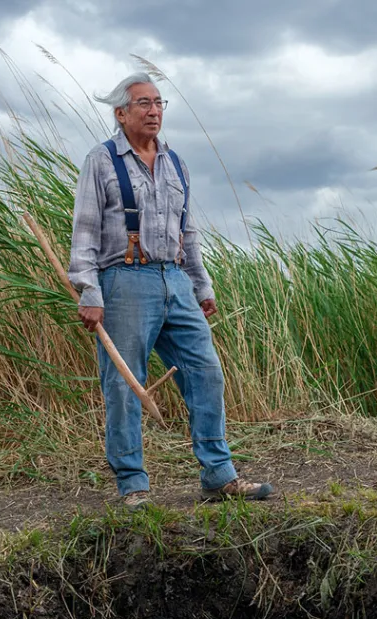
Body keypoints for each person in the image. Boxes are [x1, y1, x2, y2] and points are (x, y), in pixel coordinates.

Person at [67, 72, 275, 510]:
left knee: (206, 370)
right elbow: (84, 231)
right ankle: (133, 485)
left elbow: (188, 230)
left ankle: (219, 475)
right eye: (143, 103)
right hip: (124, 280)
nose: (154, 110)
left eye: (159, 102)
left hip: (175, 279)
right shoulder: (101, 160)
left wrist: (202, 284)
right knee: (124, 384)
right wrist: (88, 291)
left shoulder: (175, 161)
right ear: (121, 113)